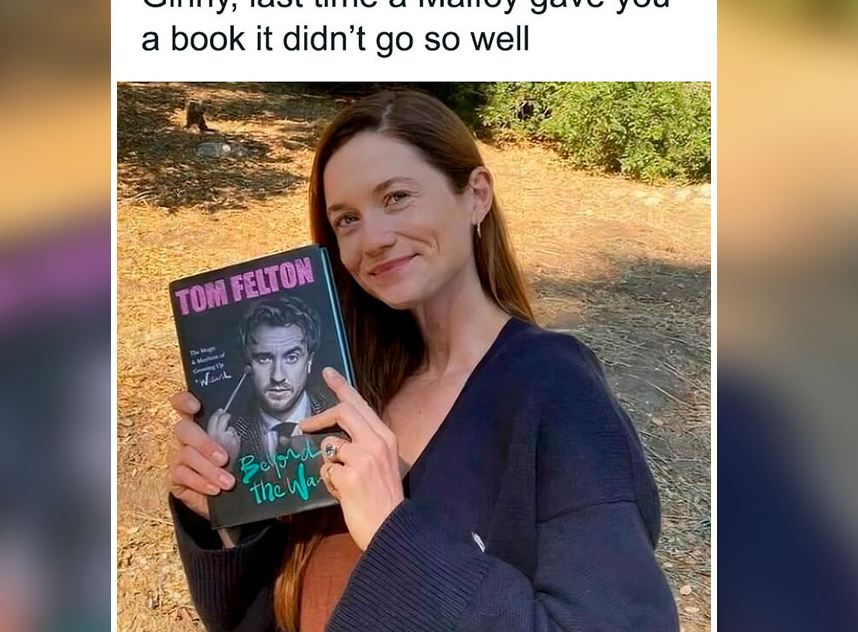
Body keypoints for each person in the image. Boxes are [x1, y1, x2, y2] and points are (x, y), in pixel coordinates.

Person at [167, 89, 679, 631]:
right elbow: (280, 613)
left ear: (476, 195)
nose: (375, 239)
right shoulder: (347, 388)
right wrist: (226, 516)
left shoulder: (555, 392)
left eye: (396, 197)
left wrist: (394, 532)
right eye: (346, 219)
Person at [206, 297, 333, 472]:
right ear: (247, 365)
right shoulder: (228, 440)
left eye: (291, 357)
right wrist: (224, 469)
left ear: (309, 361)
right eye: (264, 358)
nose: (278, 376)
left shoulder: (342, 418)